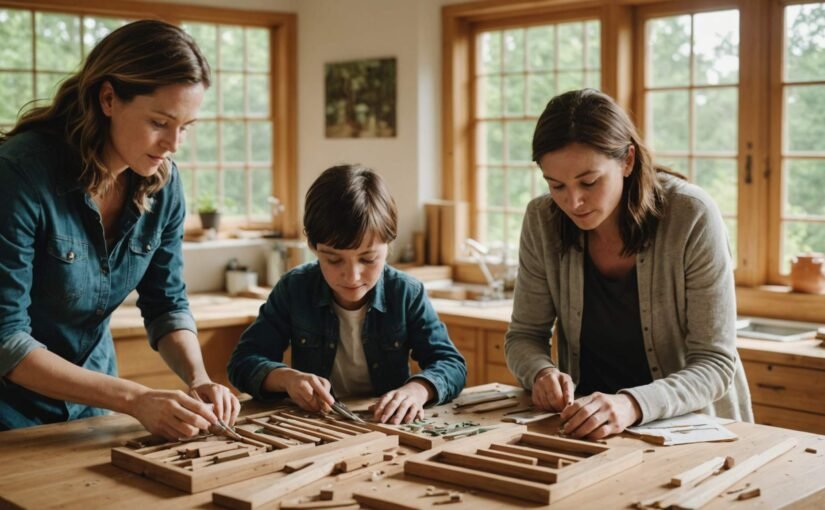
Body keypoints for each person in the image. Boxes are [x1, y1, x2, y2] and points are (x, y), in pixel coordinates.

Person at [0, 20, 239, 439]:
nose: (173, 145)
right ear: (108, 98)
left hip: (95, 411)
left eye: (185, 127)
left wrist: (199, 377)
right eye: (160, 123)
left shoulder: (165, 184)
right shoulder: (19, 174)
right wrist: (134, 399)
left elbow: (167, 304)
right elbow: (6, 340)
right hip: (9, 417)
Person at [505, 89, 752, 440]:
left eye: (589, 182)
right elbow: (524, 336)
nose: (573, 202)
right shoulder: (542, 219)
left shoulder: (691, 214)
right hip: (588, 430)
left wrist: (630, 405)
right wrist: (541, 373)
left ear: (627, 161)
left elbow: (714, 363)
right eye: (556, 184)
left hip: (691, 431)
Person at [228, 165, 466, 424]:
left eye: (368, 259)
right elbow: (243, 362)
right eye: (333, 260)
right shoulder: (294, 288)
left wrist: (417, 390)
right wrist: (287, 379)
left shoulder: (406, 292)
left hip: (385, 426)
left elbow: (451, 364)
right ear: (313, 247)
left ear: (389, 245)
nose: (352, 276)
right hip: (315, 426)